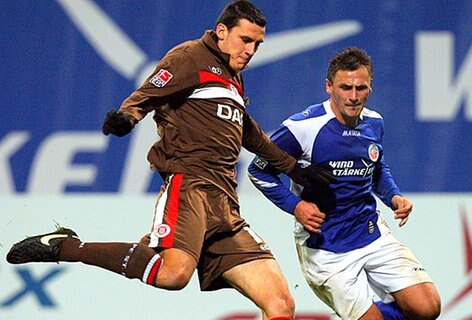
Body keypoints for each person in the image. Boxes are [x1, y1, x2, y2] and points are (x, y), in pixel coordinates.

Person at [6, 1, 334, 319]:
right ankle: (65, 247)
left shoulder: (233, 75)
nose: (250, 50)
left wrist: (295, 169)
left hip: (225, 204)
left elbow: (249, 132)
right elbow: (147, 94)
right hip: (189, 187)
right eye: (245, 40)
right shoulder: (190, 57)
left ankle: (152, 246)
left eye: (257, 44)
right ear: (222, 31)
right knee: (173, 275)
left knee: (280, 303)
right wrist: (127, 117)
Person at [247, 47, 441, 320]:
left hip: (370, 233)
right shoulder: (303, 128)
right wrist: (296, 206)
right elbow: (258, 171)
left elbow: (375, 165)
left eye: (360, 88)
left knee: (427, 308)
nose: (353, 96)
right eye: (345, 87)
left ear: (370, 87)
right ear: (329, 86)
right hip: (325, 247)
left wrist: (393, 197)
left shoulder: (374, 122)